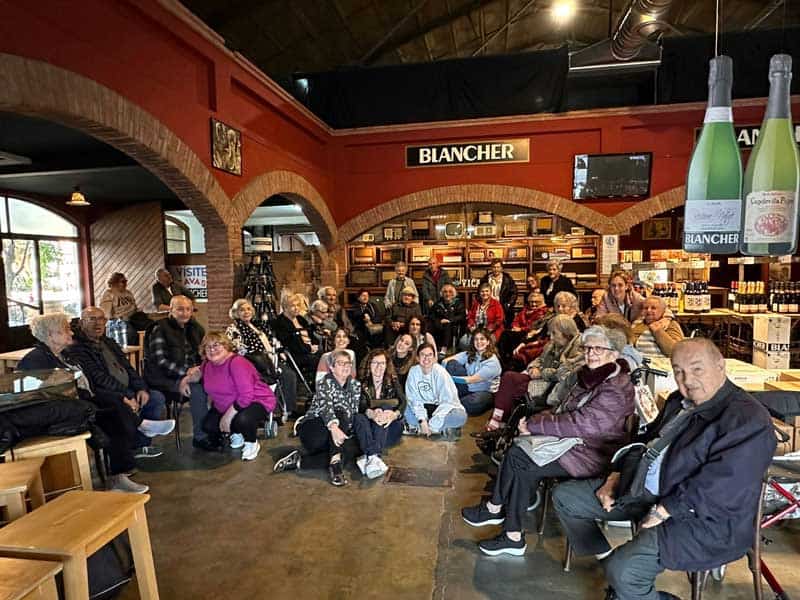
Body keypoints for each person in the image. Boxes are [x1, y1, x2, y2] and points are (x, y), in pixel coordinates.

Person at [552, 338, 776, 600]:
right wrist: (616, 474)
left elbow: (720, 487)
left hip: (703, 519)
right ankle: (608, 559)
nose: (687, 380)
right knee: (565, 498)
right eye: (678, 371)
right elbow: (647, 440)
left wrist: (662, 511)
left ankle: (627, 576)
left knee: (625, 572)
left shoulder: (747, 418)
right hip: (645, 493)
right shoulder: (678, 401)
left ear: (720, 366)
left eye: (697, 369)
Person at [461, 326, 635, 557]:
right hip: (578, 443)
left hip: (592, 453)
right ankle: (498, 509)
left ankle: (512, 533)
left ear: (614, 354)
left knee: (521, 460)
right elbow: (565, 410)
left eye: (599, 349)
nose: (591, 353)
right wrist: (536, 422)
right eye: (588, 348)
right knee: (517, 450)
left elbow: (580, 424)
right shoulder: (596, 376)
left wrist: (534, 424)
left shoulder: (614, 387)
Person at [19, 313, 151, 493]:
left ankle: (120, 473)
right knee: (115, 414)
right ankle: (121, 471)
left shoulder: (65, 355)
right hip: (61, 414)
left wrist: (119, 397)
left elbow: (85, 384)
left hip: (81, 403)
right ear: (51, 335)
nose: (71, 334)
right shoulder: (36, 360)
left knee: (116, 405)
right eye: (66, 330)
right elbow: (45, 397)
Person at [67, 307, 174, 459]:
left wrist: (141, 388)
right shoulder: (78, 348)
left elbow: (128, 368)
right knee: (124, 405)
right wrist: (127, 394)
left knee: (155, 397)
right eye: (92, 319)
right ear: (81, 323)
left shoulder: (108, 342)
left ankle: (141, 444)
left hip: (126, 388)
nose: (98, 323)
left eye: (101, 319)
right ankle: (133, 446)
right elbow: (98, 378)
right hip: (105, 393)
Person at [273, 349, 361, 486]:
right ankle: (336, 465)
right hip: (314, 430)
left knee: (351, 449)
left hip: (334, 436)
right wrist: (334, 428)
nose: (346, 366)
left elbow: (353, 412)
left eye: (348, 363)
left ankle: (299, 462)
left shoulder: (356, 386)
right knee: (340, 414)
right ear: (332, 368)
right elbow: (327, 408)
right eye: (341, 363)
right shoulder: (324, 383)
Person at [187, 332, 276, 461]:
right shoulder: (207, 364)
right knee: (208, 426)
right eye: (208, 347)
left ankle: (251, 442)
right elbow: (197, 373)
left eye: (216, 345)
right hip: (226, 404)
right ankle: (237, 433)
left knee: (242, 420)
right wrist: (185, 381)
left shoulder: (237, 363)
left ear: (226, 346)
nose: (212, 350)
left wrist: (227, 417)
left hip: (256, 400)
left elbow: (246, 396)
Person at [487, 315, 583, 431]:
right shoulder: (553, 344)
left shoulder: (579, 348)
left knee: (516, 390)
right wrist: (533, 367)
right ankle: (498, 419)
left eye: (554, 334)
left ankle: (503, 424)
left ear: (566, 333)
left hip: (555, 385)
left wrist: (541, 372)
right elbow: (539, 359)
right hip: (541, 377)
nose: (551, 337)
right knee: (509, 376)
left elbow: (564, 374)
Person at [144, 295, 213, 451]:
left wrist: (200, 371)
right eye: (180, 309)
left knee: (220, 385)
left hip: (191, 375)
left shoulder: (195, 328)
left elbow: (204, 354)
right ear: (171, 310)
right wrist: (186, 373)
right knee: (197, 390)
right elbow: (161, 361)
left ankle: (218, 430)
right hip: (164, 379)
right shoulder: (160, 328)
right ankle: (200, 437)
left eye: (188, 309)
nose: (185, 313)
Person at [225, 298, 298, 417]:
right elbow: (236, 348)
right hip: (253, 362)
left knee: (289, 375)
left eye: (248, 309)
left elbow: (272, 339)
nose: (246, 312)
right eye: (242, 310)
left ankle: (288, 409)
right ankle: (271, 410)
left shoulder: (258, 325)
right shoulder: (234, 328)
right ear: (235, 313)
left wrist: (279, 350)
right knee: (274, 378)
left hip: (270, 359)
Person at [353, 349, 406, 479]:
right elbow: (358, 405)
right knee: (358, 417)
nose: (378, 367)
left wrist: (393, 414)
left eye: (382, 363)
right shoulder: (361, 382)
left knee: (385, 407)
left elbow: (403, 402)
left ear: (387, 365)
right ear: (368, 365)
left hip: (389, 428)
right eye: (375, 363)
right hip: (369, 430)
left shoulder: (393, 381)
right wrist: (371, 413)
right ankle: (373, 457)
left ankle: (368, 456)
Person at [403, 343, 467, 436]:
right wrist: (422, 420)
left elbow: (448, 401)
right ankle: (441, 430)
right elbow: (413, 400)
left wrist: (433, 424)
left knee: (460, 416)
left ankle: (420, 429)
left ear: (434, 357)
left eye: (429, 355)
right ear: (417, 357)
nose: (426, 358)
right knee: (404, 406)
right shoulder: (413, 371)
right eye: (422, 354)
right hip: (422, 407)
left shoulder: (440, 372)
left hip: (440, 408)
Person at [442, 328, 501, 416]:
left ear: (488, 342)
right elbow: (445, 361)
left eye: (482, 339)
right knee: (451, 364)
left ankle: (452, 402)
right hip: (467, 387)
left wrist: (448, 378)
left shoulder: (492, 362)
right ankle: (453, 402)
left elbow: (471, 380)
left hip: (483, 392)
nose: (478, 342)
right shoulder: (470, 353)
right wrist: (441, 374)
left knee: (475, 402)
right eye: (476, 339)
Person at [271, 292, 320, 386]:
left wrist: (315, 344)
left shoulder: (300, 319)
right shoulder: (280, 322)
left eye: (298, 305)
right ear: (285, 307)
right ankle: (314, 386)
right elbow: (290, 343)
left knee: (326, 355)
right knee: (317, 359)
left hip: (309, 348)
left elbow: (311, 333)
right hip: (295, 353)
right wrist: (309, 348)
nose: (296, 308)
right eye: (293, 306)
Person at [99, 272, 152, 340]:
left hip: (134, 319)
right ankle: (133, 349)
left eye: (126, 281)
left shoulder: (128, 293)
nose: (125, 284)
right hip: (121, 321)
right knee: (130, 332)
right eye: (123, 282)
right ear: (115, 282)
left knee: (151, 326)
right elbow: (106, 314)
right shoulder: (109, 294)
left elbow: (134, 307)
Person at [497, 292, 548, 361]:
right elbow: (516, 319)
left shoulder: (543, 312)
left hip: (531, 334)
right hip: (519, 331)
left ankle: (506, 358)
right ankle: (502, 357)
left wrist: (520, 329)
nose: (533, 304)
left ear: (541, 302)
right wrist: (515, 327)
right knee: (506, 333)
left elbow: (534, 326)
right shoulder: (525, 309)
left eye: (536, 302)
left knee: (508, 335)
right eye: (531, 302)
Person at [429, 284, 466, 355]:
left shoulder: (458, 303)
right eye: (445, 292)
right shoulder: (438, 303)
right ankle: (432, 347)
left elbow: (462, 316)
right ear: (442, 294)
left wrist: (450, 320)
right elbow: (431, 315)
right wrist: (439, 321)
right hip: (439, 325)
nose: (447, 294)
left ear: (453, 293)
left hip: (453, 326)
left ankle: (444, 348)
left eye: (450, 292)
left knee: (447, 324)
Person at [479, 258, 517, 327]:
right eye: (494, 267)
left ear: (501, 268)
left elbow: (514, 293)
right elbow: (479, 292)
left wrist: (508, 304)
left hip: (503, 307)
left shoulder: (507, 279)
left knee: (500, 326)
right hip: (488, 306)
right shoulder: (486, 278)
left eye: (498, 267)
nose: (496, 269)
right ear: (491, 268)